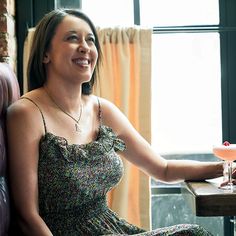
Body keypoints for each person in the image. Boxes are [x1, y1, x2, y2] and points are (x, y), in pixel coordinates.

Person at [7, 8, 224, 236]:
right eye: (72, 38)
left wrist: (223, 169)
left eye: (90, 40)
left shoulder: (102, 110)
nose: (86, 47)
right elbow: (26, 215)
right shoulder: (26, 113)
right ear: (45, 54)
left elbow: (164, 169)